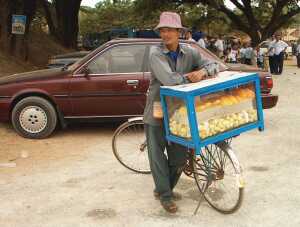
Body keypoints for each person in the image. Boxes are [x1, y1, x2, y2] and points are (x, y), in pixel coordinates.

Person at [143, 11, 219, 213]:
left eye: (170, 30)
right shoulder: (155, 53)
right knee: (157, 156)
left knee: (179, 157)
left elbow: (214, 64)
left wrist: (203, 72)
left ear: (179, 32)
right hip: (158, 110)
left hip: (180, 112)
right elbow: (170, 81)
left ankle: (163, 188)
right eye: (162, 30)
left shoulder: (190, 52)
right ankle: (166, 195)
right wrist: (192, 77)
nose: (165, 34)